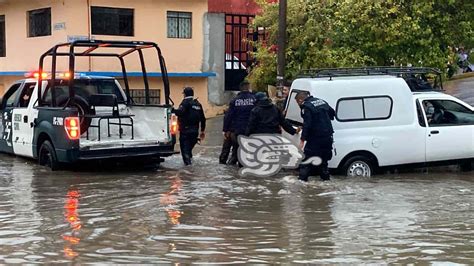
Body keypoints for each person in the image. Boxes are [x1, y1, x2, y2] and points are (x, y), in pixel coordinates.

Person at [295, 91, 335, 181]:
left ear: (300, 100)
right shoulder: (322, 101)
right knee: (323, 163)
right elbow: (333, 114)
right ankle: (326, 181)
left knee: (306, 161)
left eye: (297, 103)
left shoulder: (307, 106)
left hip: (315, 139)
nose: (298, 105)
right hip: (328, 138)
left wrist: (302, 140)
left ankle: (301, 182)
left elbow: (307, 124)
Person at [223, 80, 256, 165]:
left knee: (237, 150)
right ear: (248, 87)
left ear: (240, 89)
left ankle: (235, 171)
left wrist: (225, 130)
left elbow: (228, 116)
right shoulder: (254, 99)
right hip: (251, 130)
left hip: (238, 130)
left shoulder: (235, 101)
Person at [173, 87, 206, 166]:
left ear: (184, 94)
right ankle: (191, 170)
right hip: (195, 133)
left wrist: (172, 110)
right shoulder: (198, 104)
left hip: (185, 132)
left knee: (185, 152)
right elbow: (203, 119)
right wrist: (202, 131)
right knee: (189, 150)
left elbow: (180, 112)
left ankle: (188, 172)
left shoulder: (185, 103)